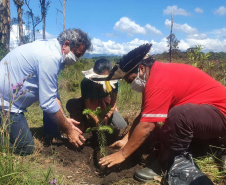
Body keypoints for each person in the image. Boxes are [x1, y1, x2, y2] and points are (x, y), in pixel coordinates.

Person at [97, 43, 226, 182]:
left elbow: (147, 126)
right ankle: (201, 146)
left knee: (178, 116)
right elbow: (144, 115)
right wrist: (126, 140)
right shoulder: (155, 75)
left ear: (141, 68)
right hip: (205, 115)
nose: (132, 85)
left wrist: (122, 154)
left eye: (131, 79)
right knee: (164, 126)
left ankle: (167, 162)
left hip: (220, 114)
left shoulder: (158, 80)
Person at [0, 28, 92, 155]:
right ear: (66, 44)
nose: (76, 59)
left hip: (12, 101)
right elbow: (47, 103)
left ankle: (52, 135)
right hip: (6, 104)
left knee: (54, 110)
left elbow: (52, 93)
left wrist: (64, 118)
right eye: (76, 54)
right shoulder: (50, 57)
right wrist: (69, 130)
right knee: (26, 148)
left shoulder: (52, 51)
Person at [66, 58, 127, 132]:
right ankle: (84, 124)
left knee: (121, 125)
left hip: (105, 103)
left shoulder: (114, 82)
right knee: (72, 104)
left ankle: (105, 124)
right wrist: (95, 119)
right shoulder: (86, 82)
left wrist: (108, 115)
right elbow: (87, 105)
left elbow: (113, 102)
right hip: (90, 103)